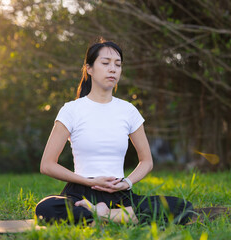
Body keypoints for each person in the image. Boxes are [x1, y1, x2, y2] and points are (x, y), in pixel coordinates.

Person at [35, 38, 193, 225]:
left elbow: (146, 161)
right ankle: (121, 218)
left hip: (119, 193)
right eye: (105, 63)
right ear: (89, 69)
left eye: (118, 65)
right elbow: (47, 165)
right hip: (81, 193)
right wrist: (88, 182)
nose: (113, 69)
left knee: (182, 207)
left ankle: (99, 216)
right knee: (46, 208)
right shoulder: (71, 110)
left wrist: (127, 183)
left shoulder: (128, 111)